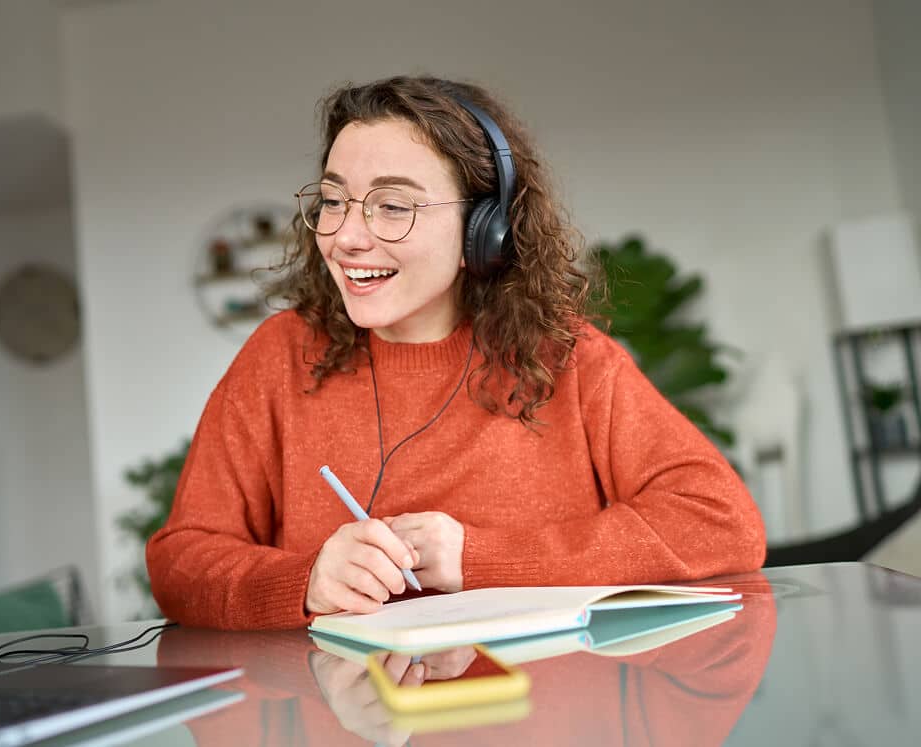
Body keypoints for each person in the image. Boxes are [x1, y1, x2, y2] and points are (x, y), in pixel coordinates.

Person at [146, 75, 765, 630]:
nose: (348, 237)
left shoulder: (570, 359)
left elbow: (720, 522)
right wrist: (303, 581)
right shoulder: (280, 356)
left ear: (483, 232)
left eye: (393, 206)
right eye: (334, 201)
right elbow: (182, 559)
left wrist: (479, 559)